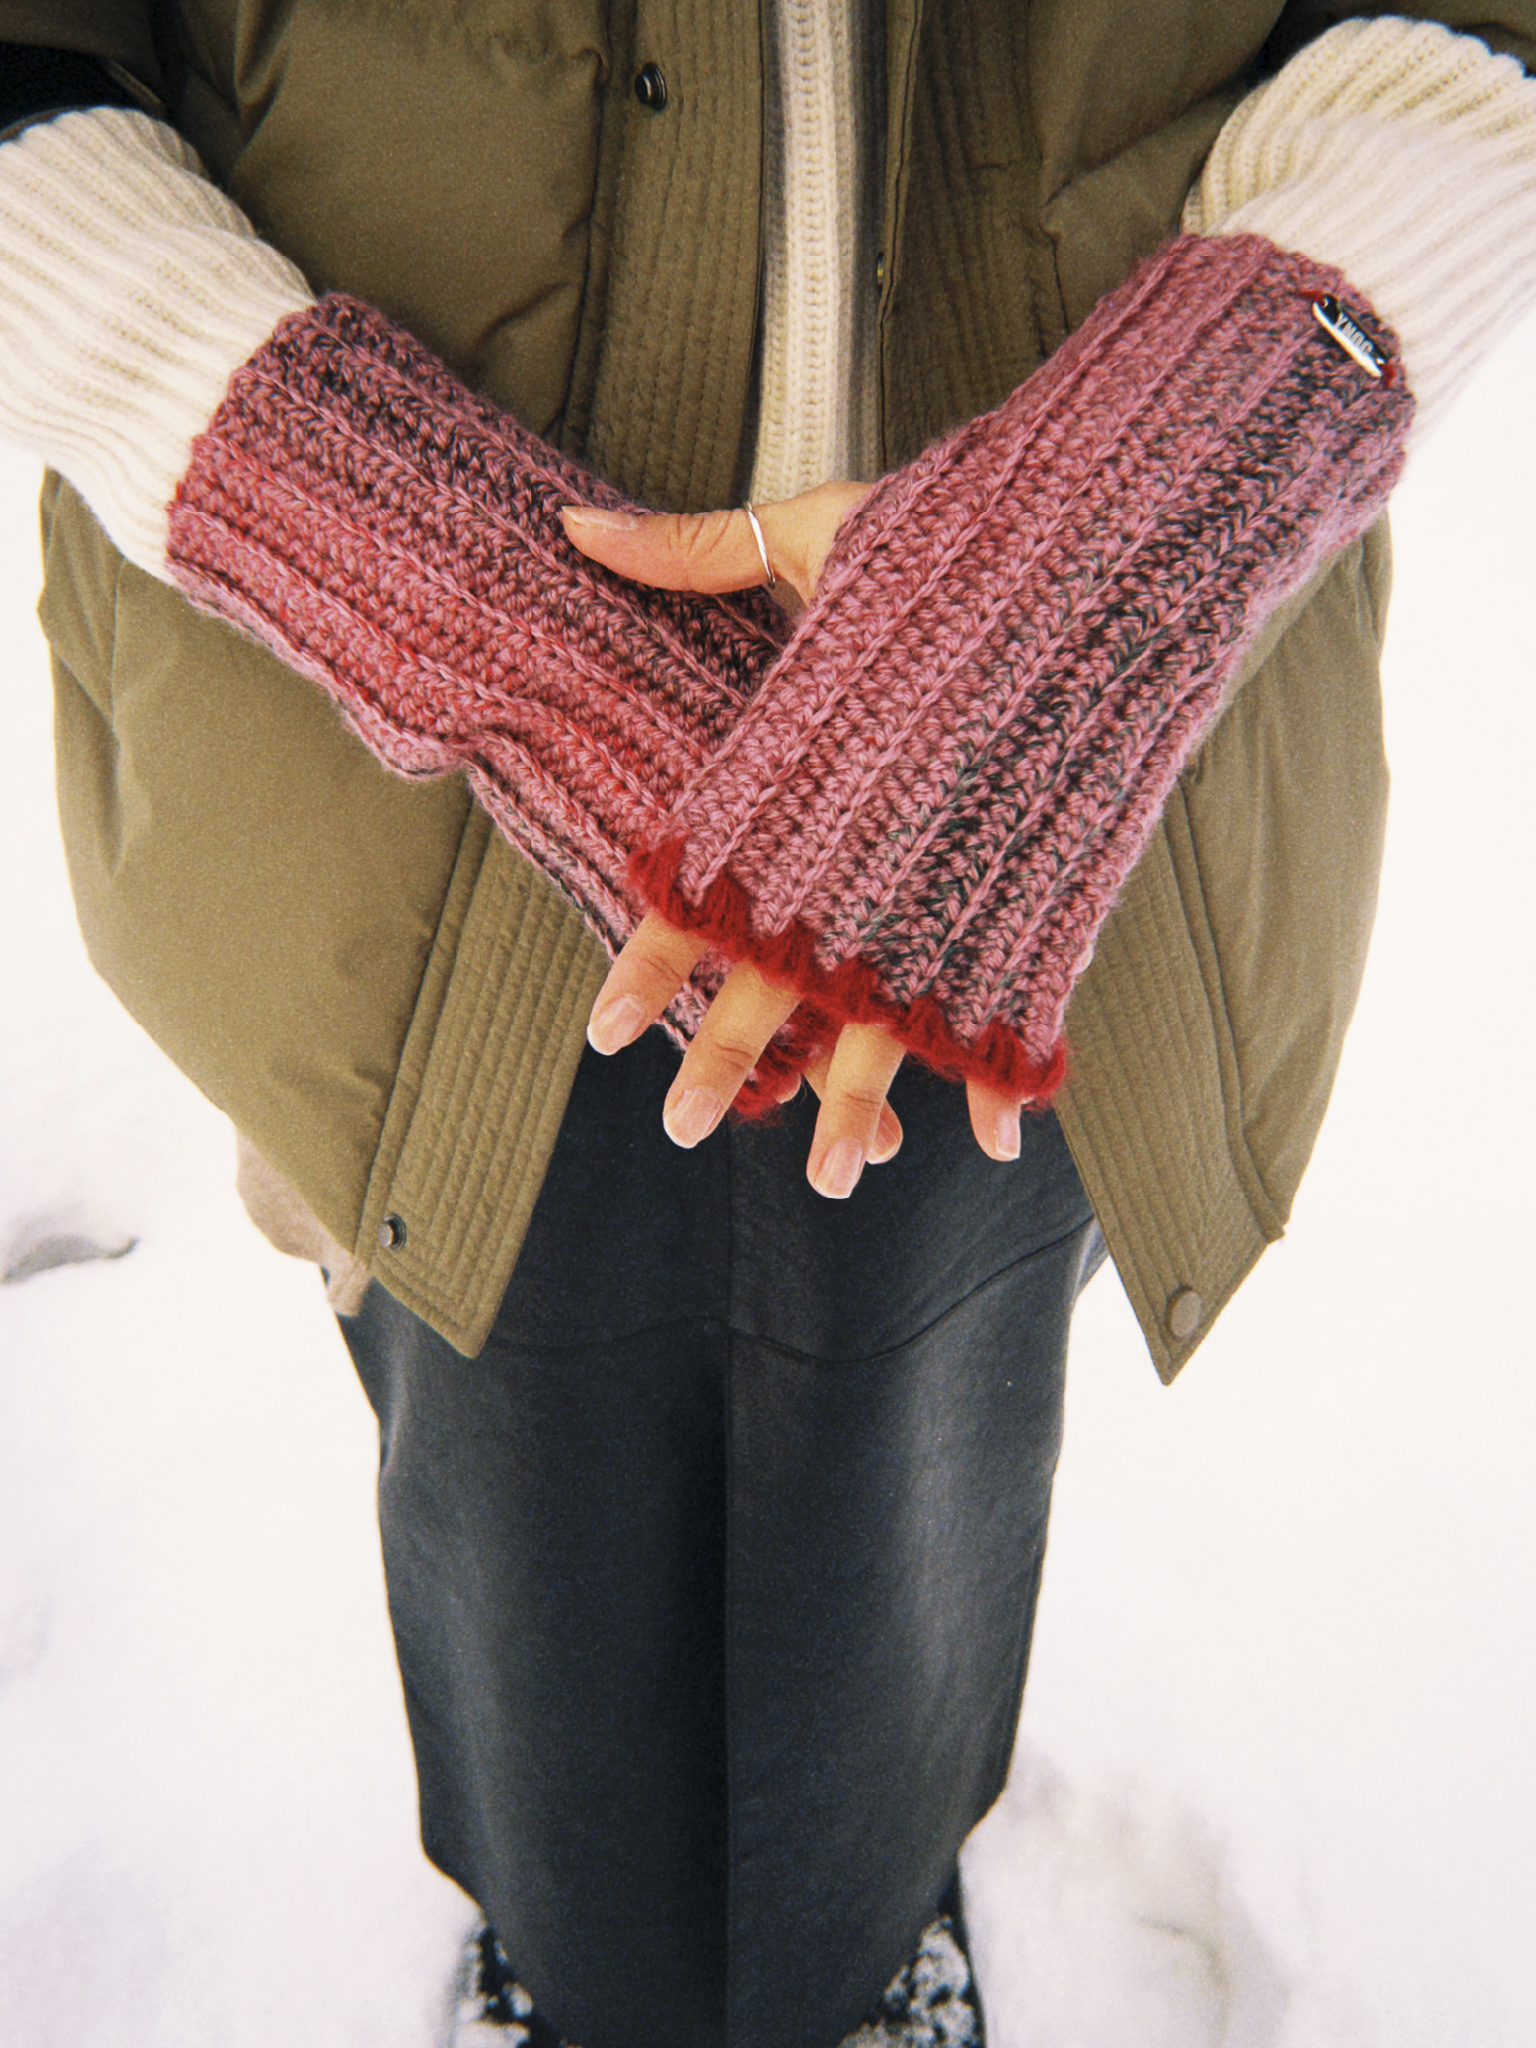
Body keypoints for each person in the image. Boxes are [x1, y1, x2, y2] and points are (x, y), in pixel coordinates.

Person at [1, 8, 1534, 2047]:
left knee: (916, 1481)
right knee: (522, 1528)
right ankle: (576, 1957)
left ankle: (859, 1939)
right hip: (385, 818)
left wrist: (1156, 493)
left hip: (1063, 802)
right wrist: (395, 541)